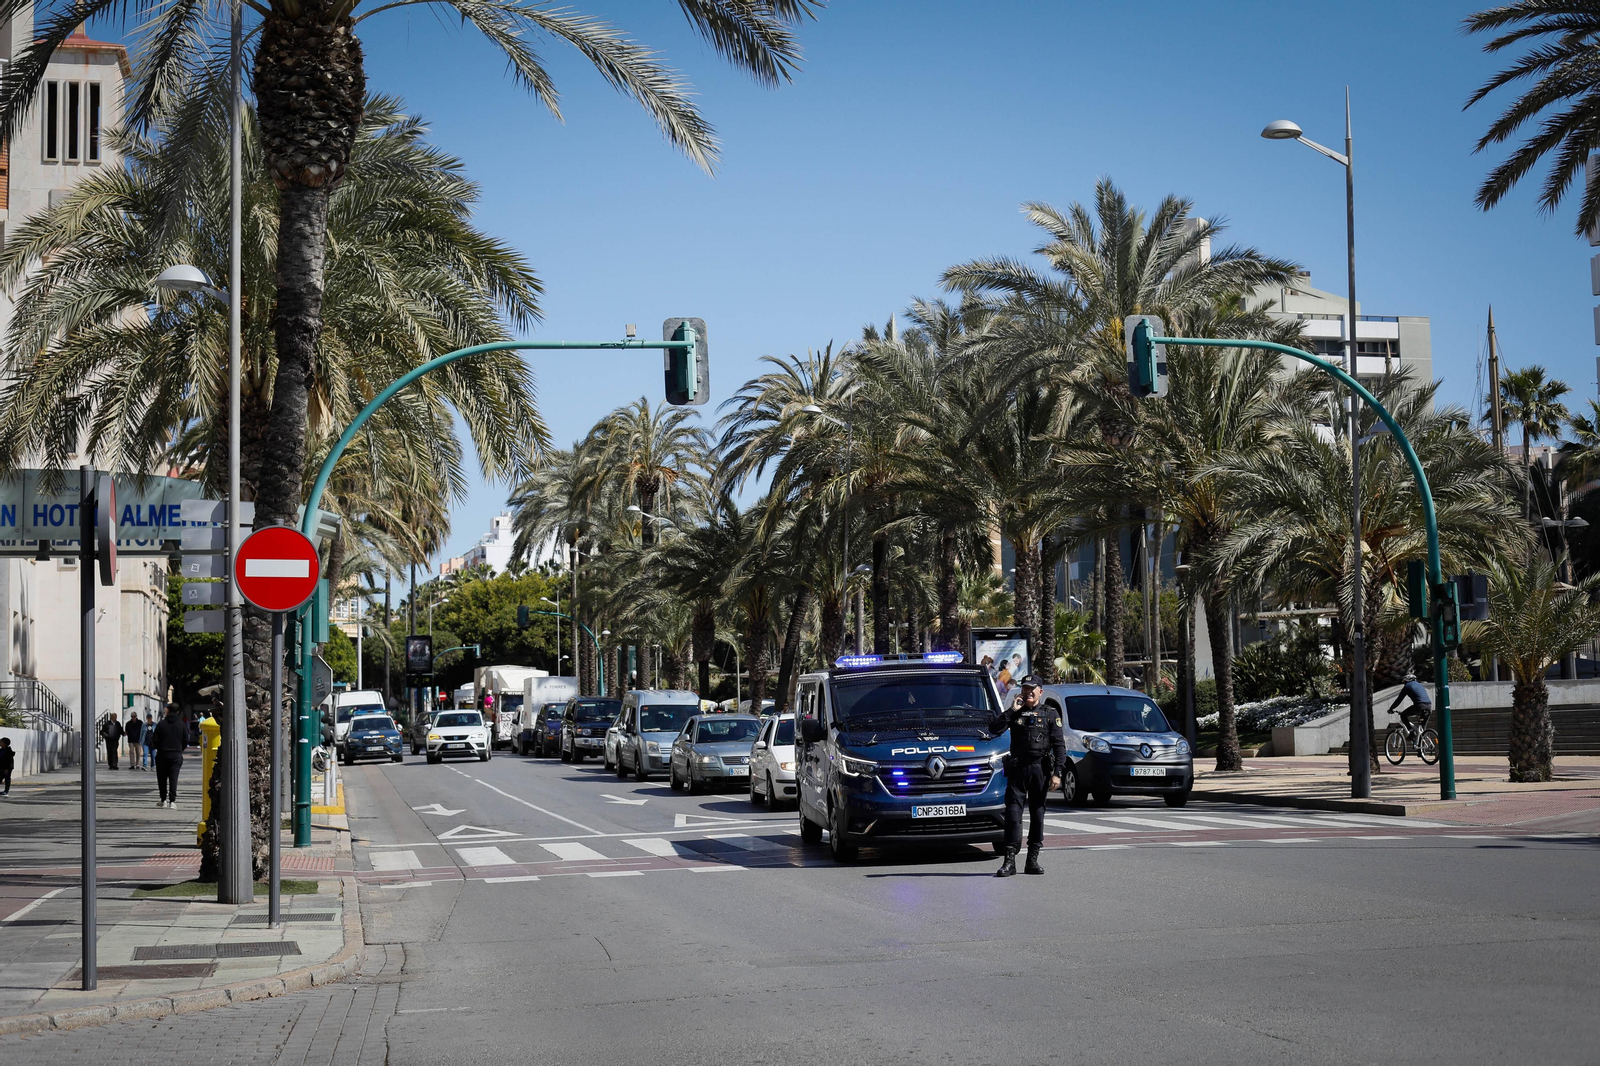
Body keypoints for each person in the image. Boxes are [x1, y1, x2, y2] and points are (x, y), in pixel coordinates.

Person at [989, 675, 1066, 878]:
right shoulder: (1015, 712)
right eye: (1025, 689)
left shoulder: (1050, 714)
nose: (1029, 692)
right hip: (1018, 769)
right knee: (1013, 815)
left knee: (1037, 815)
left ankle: (1032, 860)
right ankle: (1009, 861)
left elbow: (1059, 746)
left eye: (1033, 689)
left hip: (1040, 769)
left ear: (1040, 691)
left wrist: (1058, 773)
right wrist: (1012, 710)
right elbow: (994, 728)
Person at [152, 704, 188, 809]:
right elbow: (186, 739)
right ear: (177, 712)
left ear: (168, 711)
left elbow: (155, 739)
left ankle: (163, 799)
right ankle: (172, 801)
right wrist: (179, 749)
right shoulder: (181, 724)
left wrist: (160, 748)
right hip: (176, 754)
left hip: (162, 754)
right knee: (173, 778)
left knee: (162, 778)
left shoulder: (161, 724)